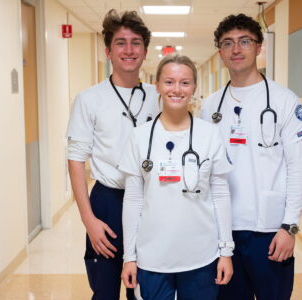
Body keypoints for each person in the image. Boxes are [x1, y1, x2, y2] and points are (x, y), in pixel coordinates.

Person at [201, 14, 302, 300]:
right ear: (220, 52)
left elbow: (298, 166)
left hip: (270, 230)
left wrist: (290, 226)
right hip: (222, 231)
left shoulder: (284, 101)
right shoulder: (211, 106)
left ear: (259, 47)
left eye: (244, 41)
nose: (236, 49)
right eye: (228, 43)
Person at [118, 54, 234, 300]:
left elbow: (221, 195)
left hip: (202, 254)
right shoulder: (139, 137)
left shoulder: (209, 134)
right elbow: (133, 200)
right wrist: (130, 257)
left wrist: (226, 251)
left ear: (194, 87)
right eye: (169, 82)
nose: (177, 89)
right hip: (152, 257)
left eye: (185, 82)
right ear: (157, 85)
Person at [66, 9, 159, 300]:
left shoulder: (160, 97)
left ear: (145, 51)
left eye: (135, 42)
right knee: (104, 290)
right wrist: (88, 220)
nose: (128, 50)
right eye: (120, 42)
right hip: (107, 201)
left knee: (144, 290)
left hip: (150, 200)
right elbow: (76, 160)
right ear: (108, 50)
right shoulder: (89, 99)